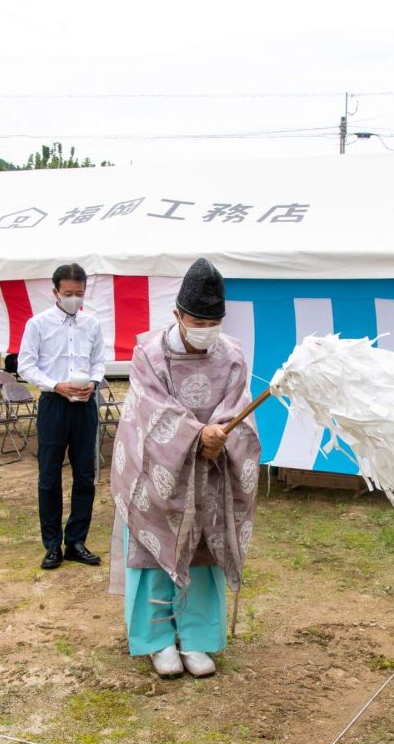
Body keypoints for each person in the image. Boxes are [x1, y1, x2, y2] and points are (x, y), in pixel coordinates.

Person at [110, 258, 260, 679]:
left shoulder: (231, 355)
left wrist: (221, 436)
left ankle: (197, 639)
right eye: (197, 320)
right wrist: (196, 436)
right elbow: (149, 409)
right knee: (155, 548)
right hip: (159, 468)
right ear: (176, 314)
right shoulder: (149, 353)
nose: (206, 329)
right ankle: (157, 640)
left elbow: (238, 407)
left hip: (211, 470)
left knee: (203, 550)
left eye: (214, 321)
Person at [18, 263, 105, 570]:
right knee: (49, 475)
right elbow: (25, 366)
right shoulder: (38, 324)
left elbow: (98, 362)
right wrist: (55, 385)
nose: (74, 299)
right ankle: (52, 544)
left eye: (79, 294)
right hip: (54, 403)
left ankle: (76, 541)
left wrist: (93, 383)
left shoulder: (92, 324)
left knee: (85, 475)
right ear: (55, 291)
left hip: (84, 404)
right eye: (68, 293)